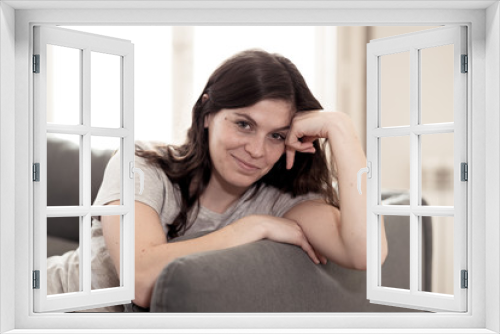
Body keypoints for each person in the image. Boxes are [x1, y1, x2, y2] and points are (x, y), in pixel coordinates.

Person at [48, 49, 388, 312]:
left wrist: (342, 129)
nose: (256, 150)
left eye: (276, 135)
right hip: (44, 302)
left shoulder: (281, 202)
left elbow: (366, 253)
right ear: (208, 113)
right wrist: (250, 228)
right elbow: (139, 280)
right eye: (244, 124)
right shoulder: (141, 165)